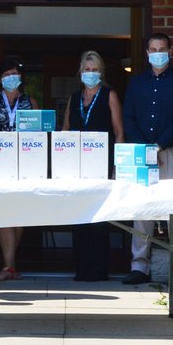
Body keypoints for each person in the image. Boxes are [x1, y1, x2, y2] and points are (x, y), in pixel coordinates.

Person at [121, 33, 173, 286]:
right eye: (152, 49)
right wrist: (146, 148)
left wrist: (160, 145)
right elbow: (128, 117)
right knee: (142, 210)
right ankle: (139, 266)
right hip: (142, 154)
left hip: (172, 152)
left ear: (170, 51)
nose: (157, 53)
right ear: (146, 53)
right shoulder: (136, 83)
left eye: (162, 48)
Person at [62, 50, 125, 282]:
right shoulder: (74, 98)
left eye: (95, 70)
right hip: (77, 167)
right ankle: (82, 268)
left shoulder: (109, 95)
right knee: (79, 218)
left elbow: (119, 132)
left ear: (101, 72)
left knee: (98, 218)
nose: (91, 74)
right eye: (87, 70)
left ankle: (99, 270)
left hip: (102, 165)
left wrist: (117, 164)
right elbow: (65, 131)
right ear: (80, 72)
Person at [0, 58, 33, 282]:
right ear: (0, 79)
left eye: (14, 74)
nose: (11, 78)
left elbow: (39, 133)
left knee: (20, 213)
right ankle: (9, 265)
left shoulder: (29, 101)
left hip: (25, 163)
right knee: (4, 211)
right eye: (6, 75)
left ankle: (10, 265)